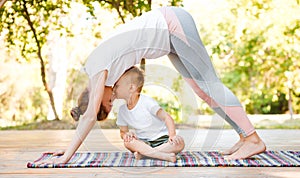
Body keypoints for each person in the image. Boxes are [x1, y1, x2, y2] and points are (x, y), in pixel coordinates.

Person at [41, 6, 266, 165]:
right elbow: (87, 112)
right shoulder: (99, 74)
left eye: (109, 101)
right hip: (168, 39)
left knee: (209, 85)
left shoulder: (98, 69)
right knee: (200, 90)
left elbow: (89, 116)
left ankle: (252, 138)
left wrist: (67, 155)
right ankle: (244, 137)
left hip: (171, 24)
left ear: (95, 95)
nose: (114, 99)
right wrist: (71, 143)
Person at [114, 66, 185, 162]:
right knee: (127, 143)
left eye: (117, 86)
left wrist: (172, 135)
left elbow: (166, 117)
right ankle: (161, 155)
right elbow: (123, 132)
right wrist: (127, 134)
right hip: (143, 142)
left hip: (162, 140)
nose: (113, 88)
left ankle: (145, 155)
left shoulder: (147, 102)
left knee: (180, 143)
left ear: (131, 87)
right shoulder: (122, 110)